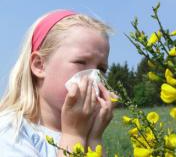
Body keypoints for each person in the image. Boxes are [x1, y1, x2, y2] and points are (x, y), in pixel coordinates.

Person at [0, 9, 115, 156]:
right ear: (39, 65)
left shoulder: (87, 130)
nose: (93, 77)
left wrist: (94, 138)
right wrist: (75, 136)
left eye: (101, 69)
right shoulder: (10, 130)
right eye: (81, 62)